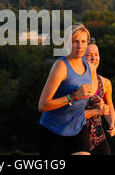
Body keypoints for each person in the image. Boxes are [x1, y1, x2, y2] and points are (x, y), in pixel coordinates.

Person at [38, 23, 96, 155]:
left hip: (78, 127)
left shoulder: (89, 67)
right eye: (75, 41)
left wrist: (94, 101)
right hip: (53, 130)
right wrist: (74, 95)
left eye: (83, 41)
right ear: (68, 43)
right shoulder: (61, 66)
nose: (80, 46)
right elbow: (43, 105)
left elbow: (86, 96)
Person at [84, 41, 115, 155]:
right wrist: (97, 110)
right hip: (77, 136)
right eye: (89, 55)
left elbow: (109, 107)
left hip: (98, 137)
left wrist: (112, 123)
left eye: (96, 54)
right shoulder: (75, 82)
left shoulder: (105, 82)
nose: (93, 58)